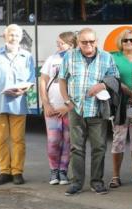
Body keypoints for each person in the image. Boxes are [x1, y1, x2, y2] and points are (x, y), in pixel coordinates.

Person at [57, 28, 119, 195]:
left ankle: (97, 182)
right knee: (77, 148)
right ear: (78, 42)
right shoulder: (70, 56)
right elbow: (62, 80)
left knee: (99, 147)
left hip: (98, 110)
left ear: (96, 41)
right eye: (84, 42)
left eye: (91, 41)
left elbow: (115, 79)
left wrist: (102, 85)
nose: (88, 45)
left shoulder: (107, 57)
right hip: (76, 109)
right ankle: (77, 183)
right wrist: (67, 101)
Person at [0, 24, 35, 186]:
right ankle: (4, 172)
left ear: (21, 37)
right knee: (1, 140)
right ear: (5, 36)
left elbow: (31, 81)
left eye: (17, 35)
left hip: (18, 104)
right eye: (11, 35)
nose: (14, 38)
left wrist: (22, 91)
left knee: (18, 140)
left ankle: (17, 172)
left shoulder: (27, 56)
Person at [38, 31, 76, 186]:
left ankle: (63, 171)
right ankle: (54, 170)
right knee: (53, 141)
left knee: (68, 141)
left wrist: (68, 106)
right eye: (57, 43)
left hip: (69, 108)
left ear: (71, 44)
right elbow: (43, 81)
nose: (58, 45)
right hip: (52, 107)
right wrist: (46, 103)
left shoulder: (76, 59)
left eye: (61, 43)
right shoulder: (52, 59)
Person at [109, 29, 132, 189]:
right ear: (120, 42)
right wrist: (130, 93)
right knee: (118, 140)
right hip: (121, 105)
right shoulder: (113, 57)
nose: (129, 43)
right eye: (125, 40)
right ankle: (115, 176)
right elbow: (113, 78)